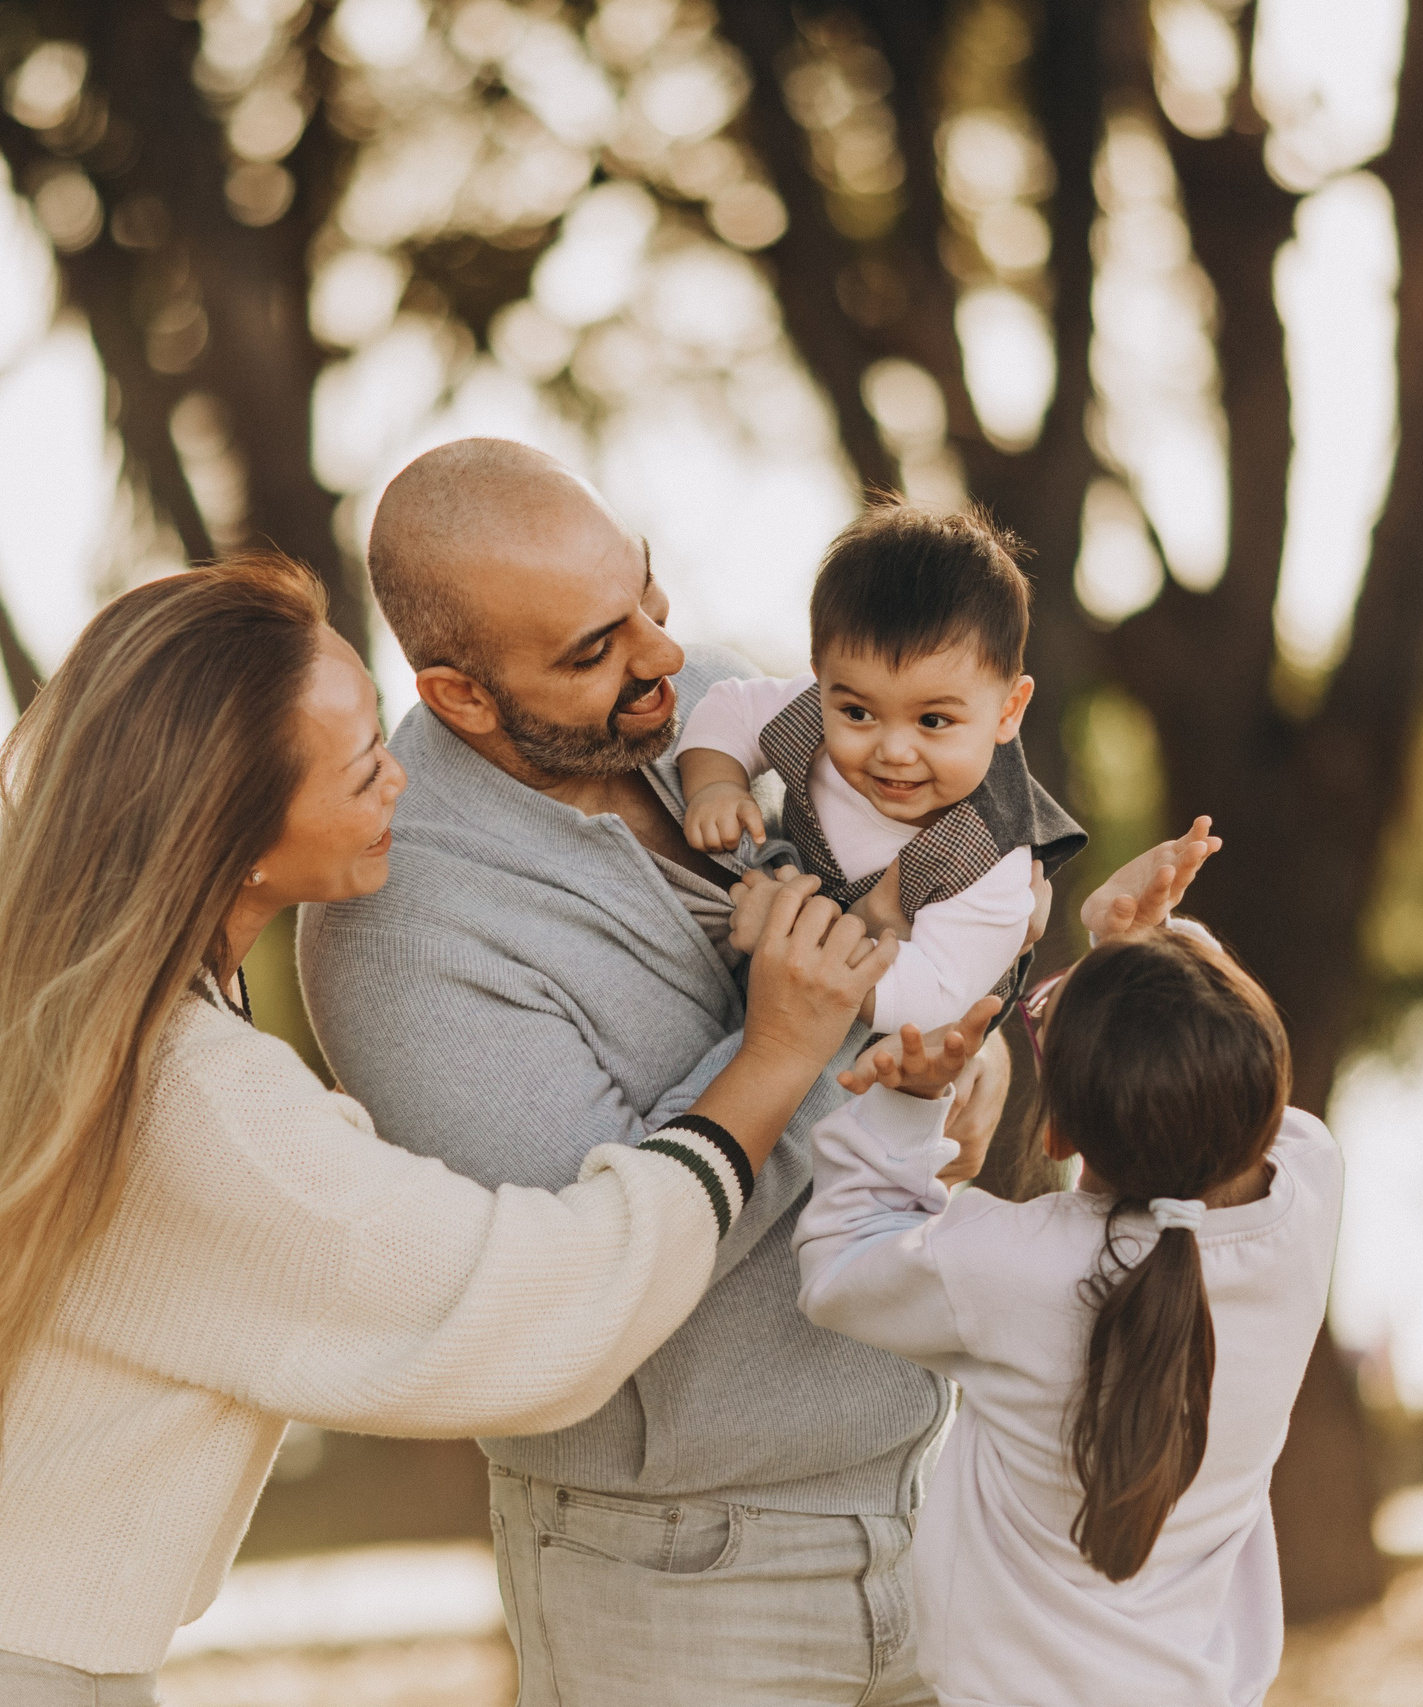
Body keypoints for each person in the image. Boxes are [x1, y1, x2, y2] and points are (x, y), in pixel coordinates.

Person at [0, 555, 898, 1705]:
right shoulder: (210, 1117)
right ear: (229, 841)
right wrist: (778, 1059)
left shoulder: (26, 893)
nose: (404, 785)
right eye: (361, 770)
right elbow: (542, 1300)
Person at [297, 438, 1220, 1706]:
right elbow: (579, 1290)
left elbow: (942, 907)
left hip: (929, 1500)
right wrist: (804, 1046)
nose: (661, 657)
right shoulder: (399, 923)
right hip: (680, 1571)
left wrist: (959, 1070)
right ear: (459, 696)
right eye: (592, 650)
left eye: (647, 598)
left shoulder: (723, 714)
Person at [796, 918, 1347, 1707]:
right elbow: (1247, 1085)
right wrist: (1160, 938)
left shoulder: (1007, 1265)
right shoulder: (1308, 1197)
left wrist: (909, 1105)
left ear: (1055, 1131)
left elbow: (842, 1259)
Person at [677, 502, 1088, 1036]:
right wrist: (715, 783)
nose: (893, 749)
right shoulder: (817, 709)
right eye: (858, 713)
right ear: (821, 679)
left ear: (1008, 711)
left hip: (881, 1058)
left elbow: (932, 995)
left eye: (933, 720)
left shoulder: (990, 863)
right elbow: (729, 708)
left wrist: (796, 938)